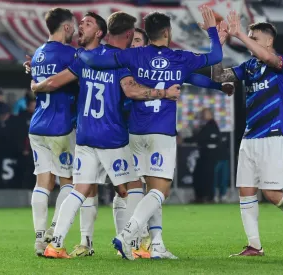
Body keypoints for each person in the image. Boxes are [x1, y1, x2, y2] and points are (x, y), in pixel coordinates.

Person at [32, 11, 180, 259]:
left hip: (85, 134)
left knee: (79, 189)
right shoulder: (120, 60)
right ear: (130, 34)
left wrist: (36, 81)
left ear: (105, 31)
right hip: (111, 136)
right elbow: (131, 90)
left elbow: (57, 81)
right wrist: (163, 94)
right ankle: (133, 243)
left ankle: (55, 244)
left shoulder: (86, 57)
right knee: (134, 186)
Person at [78, 6, 223, 260]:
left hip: (134, 132)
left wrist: (78, 53)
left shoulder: (134, 57)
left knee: (140, 189)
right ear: (167, 31)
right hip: (161, 133)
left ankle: (155, 245)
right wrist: (212, 30)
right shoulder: (181, 58)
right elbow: (215, 56)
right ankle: (127, 236)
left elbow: (95, 61)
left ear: (146, 33)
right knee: (160, 191)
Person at [210, 11, 283, 256]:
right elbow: (218, 76)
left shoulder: (281, 63)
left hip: (273, 135)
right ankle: (254, 245)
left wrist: (240, 35)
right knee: (245, 190)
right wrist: (218, 44)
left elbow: (269, 58)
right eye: (249, 37)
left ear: (268, 41)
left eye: (255, 37)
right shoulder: (249, 66)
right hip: (250, 136)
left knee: (273, 194)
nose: (250, 40)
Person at [26, 7, 78, 256]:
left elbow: (37, 80)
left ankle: (38, 238)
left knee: (42, 182)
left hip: (37, 126)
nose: (76, 31)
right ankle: (54, 230)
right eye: (75, 26)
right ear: (66, 27)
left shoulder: (38, 54)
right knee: (68, 180)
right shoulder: (70, 54)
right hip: (60, 125)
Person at [185, 108, 221, 203]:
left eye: (205, 114)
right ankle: (200, 196)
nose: (203, 116)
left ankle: (207, 197)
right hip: (204, 155)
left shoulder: (212, 125)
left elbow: (201, 138)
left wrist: (185, 140)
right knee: (199, 175)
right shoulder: (204, 125)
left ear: (210, 114)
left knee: (207, 176)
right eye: (202, 114)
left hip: (209, 156)